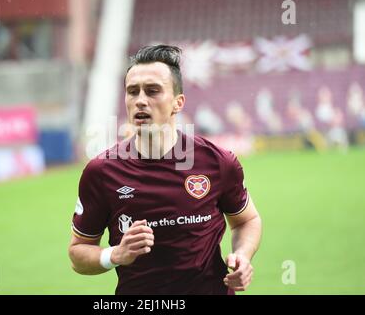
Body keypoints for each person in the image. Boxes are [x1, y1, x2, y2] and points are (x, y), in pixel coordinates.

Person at [68, 45, 262, 295]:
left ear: (177, 103)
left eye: (152, 91)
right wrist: (115, 254)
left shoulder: (217, 162)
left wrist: (242, 256)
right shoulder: (101, 172)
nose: (140, 100)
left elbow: (246, 220)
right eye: (132, 91)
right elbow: (78, 254)